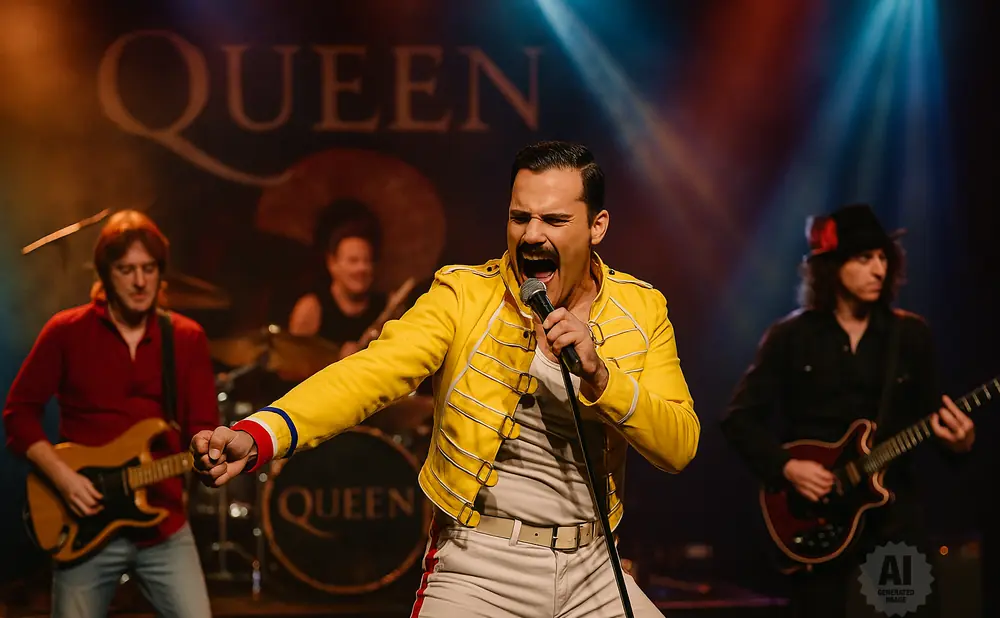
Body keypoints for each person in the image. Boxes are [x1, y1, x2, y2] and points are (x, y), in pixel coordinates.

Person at [191, 141, 701, 618]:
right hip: (478, 568)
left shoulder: (641, 308)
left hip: (593, 568)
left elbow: (678, 445)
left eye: (554, 219)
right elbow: (366, 375)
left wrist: (599, 376)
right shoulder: (463, 297)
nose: (531, 234)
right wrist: (259, 434)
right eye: (519, 217)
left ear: (597, 226)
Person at [720, 203, 975, 618]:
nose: (879, 269)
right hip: (816, 522)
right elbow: (738, 419)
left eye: (882, 258)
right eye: (864, 258)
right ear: (831, 267)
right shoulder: (790, 336)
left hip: (893, 521)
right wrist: (787, 467)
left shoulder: (910, 336)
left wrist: (961, 443)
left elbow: (935, 422)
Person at [3, 210, 216, 618]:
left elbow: (202, 426)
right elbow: (18, 413)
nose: (139, 282)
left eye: (148, 269)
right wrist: (63, 478)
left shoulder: (186, 337)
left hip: (164, 525)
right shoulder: (65, 331)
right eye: (126, 270)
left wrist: (212, 453)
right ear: (105, 273)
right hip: (83, 523)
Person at [287, 218, 388, 359]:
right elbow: (292, 365)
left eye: (367, 260)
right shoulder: (311, 308)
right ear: (332, 263)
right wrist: (334, 359)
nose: (362, 268)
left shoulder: (386, 307)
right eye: (353, 261)